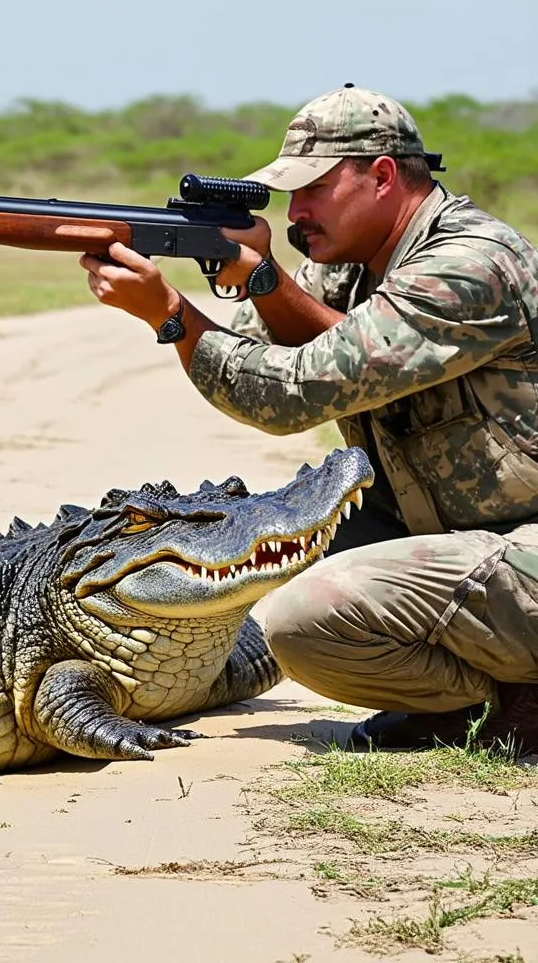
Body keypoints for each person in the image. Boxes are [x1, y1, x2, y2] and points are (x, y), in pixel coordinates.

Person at [78, 83, 538, 753]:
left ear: (381, 176)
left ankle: (512, 698)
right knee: (262, 565)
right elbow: (267, 345)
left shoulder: (470, 266)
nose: (297, 212)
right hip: (460, 530)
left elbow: (290, 393)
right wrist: (257, 277)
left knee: (303, 617)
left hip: (521, 536)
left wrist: (169, 315)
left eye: (313, 190)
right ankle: (475, 697)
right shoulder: (355, 266)